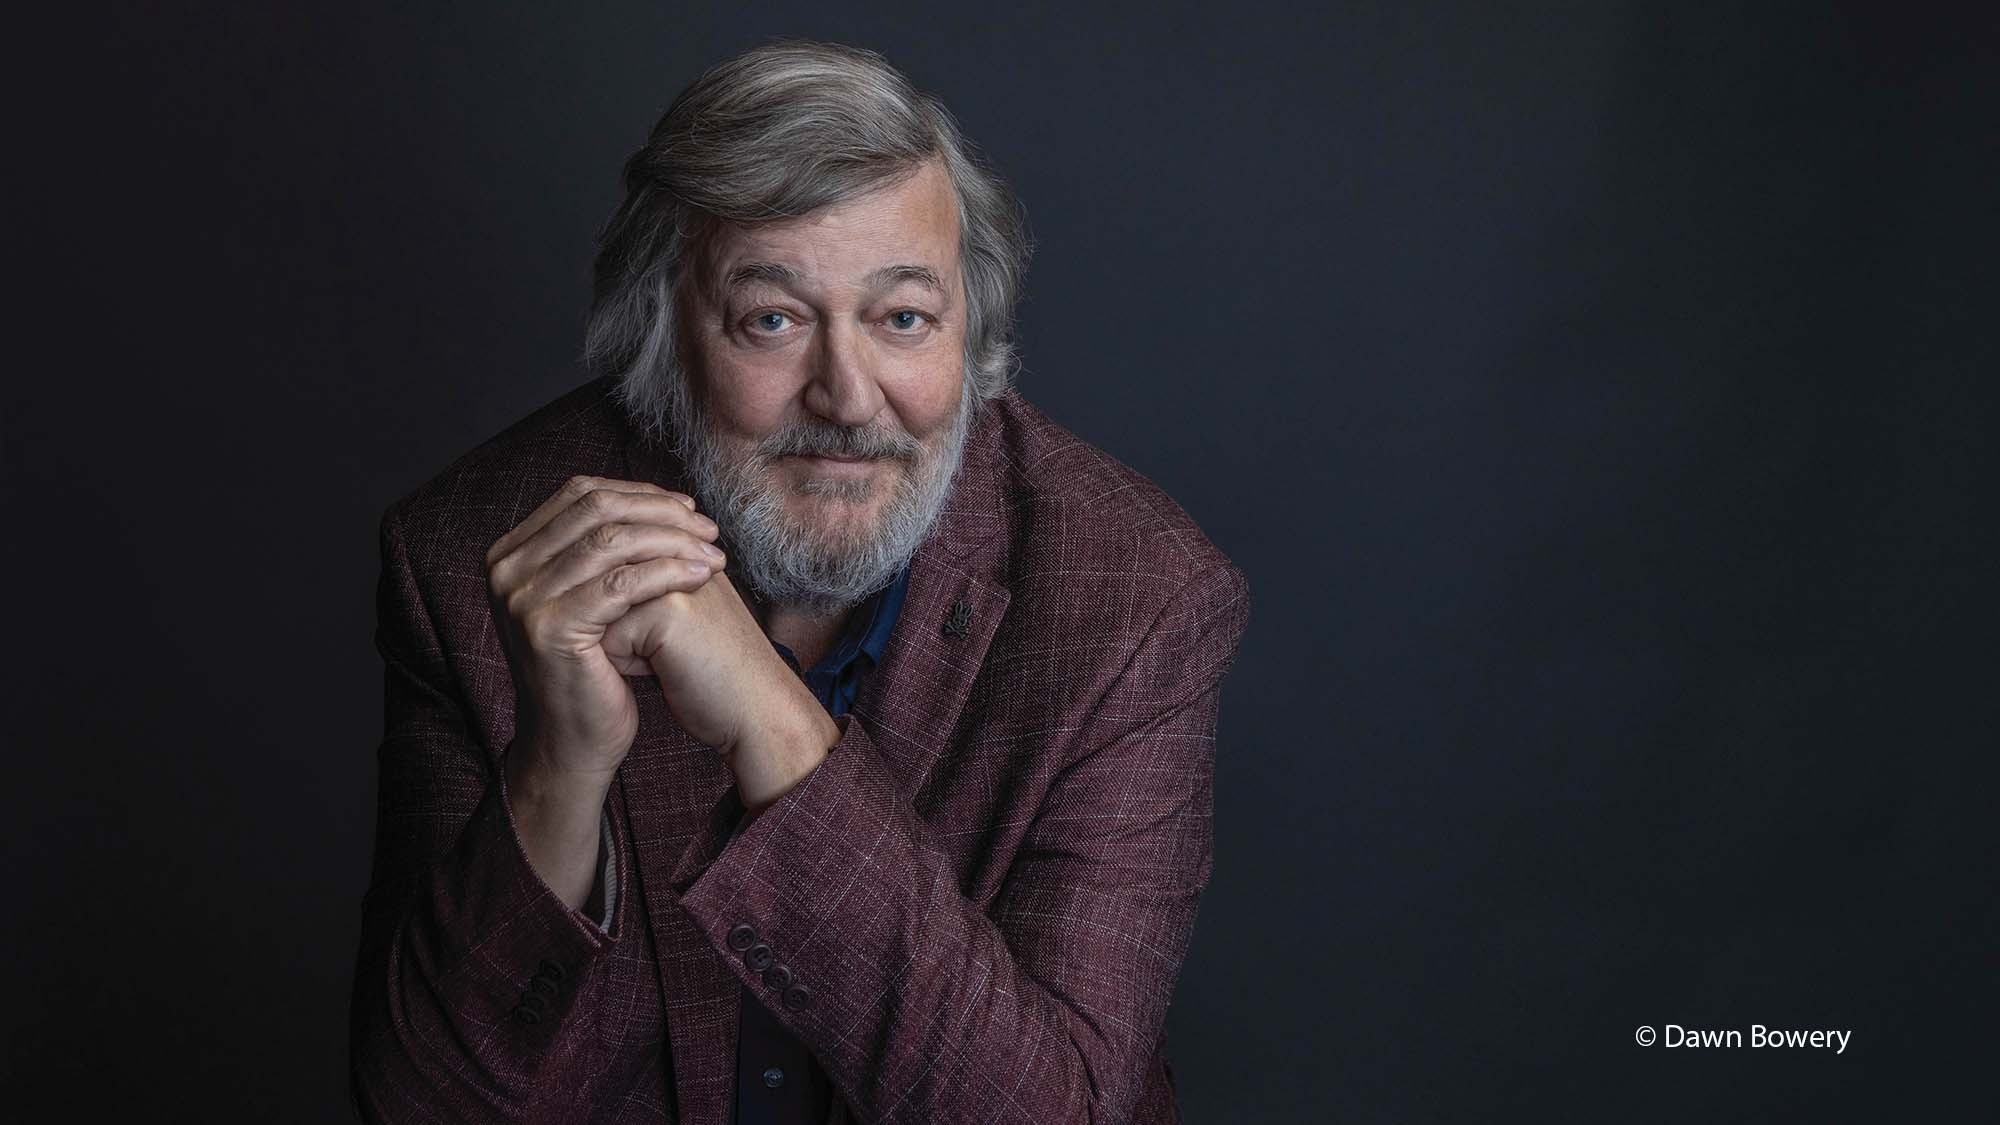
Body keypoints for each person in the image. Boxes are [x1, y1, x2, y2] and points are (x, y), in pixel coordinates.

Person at [348, 38, 1250, 1125]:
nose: (847, 396)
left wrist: (776, 728)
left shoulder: (1135, 599)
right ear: (665, 332)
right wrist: (560, 768)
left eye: (901, 319)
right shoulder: (473, 555)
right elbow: (420, 1106)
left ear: (973, 332)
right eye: (771, 319)